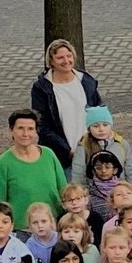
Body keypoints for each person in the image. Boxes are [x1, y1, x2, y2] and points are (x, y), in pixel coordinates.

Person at [29, 39, 103, 170]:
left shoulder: (86, 81)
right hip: (61, 156)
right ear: (51, 61)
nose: (66, 61)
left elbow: (99, 113)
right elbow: (42, 125)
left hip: (91, 151)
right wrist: (67, 151)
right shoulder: (42, 88)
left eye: (69, 56)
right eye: (60, 58)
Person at [0, 110, 71, 227]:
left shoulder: (49, 155)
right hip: (22, 230)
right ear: (11, 130)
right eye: (20, 128)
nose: (25, 133)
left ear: (36, 131)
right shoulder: (2, 164)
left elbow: (64, 190)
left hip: (53, 225)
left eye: (30, 129)